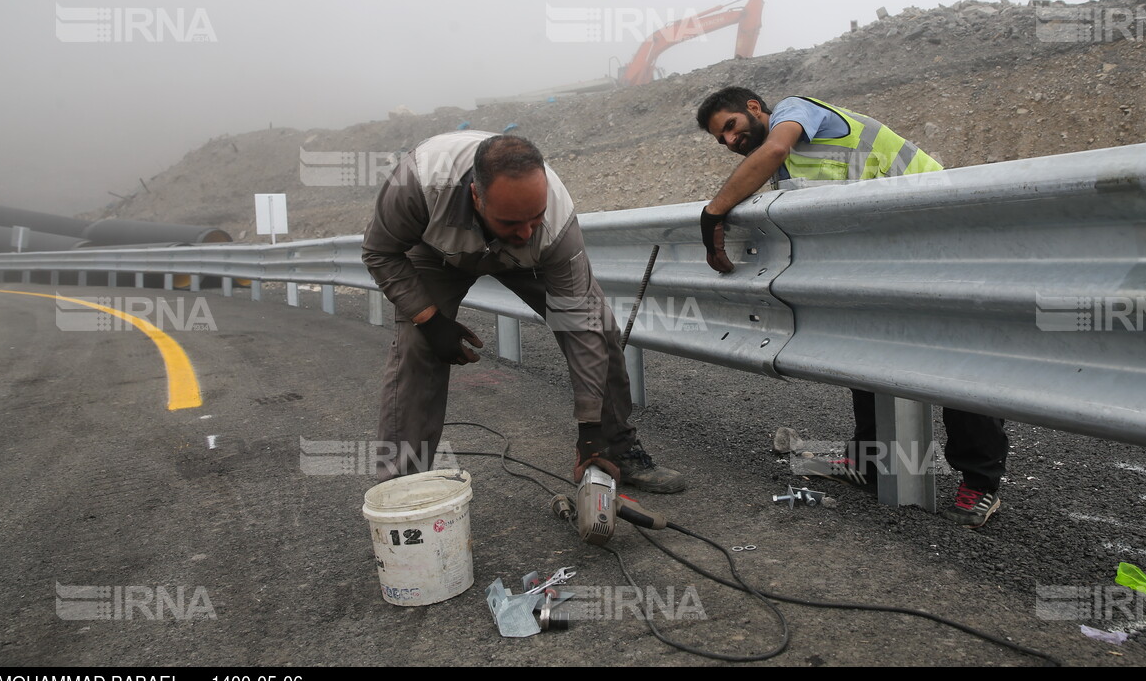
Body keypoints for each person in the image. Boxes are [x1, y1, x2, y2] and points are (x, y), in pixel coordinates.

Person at [694, 87, 1006, 527]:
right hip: (893, 253)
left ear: (753, 108)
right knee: (865, 350)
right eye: (719, 140)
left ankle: (980, 481)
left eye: (729, 127)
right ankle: (870, 463)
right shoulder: (784, 167)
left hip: (942, 235)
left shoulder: (793, 113)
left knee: (956, 360)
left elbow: (776, 145)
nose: (728, 142)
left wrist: (714, 213)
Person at [362, 130, 686, 494]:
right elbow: (380, 253)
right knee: (415, 347)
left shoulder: (553, 225)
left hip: (530, 261)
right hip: (440, 254)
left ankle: (612, 449)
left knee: (599, 331)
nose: (524, 231)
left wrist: (589, 430)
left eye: (534, 217)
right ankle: (403, 486)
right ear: (476, 197)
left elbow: (579, 326)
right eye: (510, 222)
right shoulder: (417, 182)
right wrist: (431, 320)